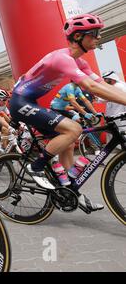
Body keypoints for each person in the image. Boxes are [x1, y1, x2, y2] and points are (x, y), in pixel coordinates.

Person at [9, 13, 126, 212]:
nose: (98, 37)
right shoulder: (62, 58)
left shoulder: (81, 63)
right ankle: (35, 166)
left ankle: (70, 191)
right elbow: (91, 87)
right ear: (79, 37)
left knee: (70, 142)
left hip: (31, 101)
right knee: (74, 128)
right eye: (94, 33)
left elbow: (101, 86)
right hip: (20, 102)